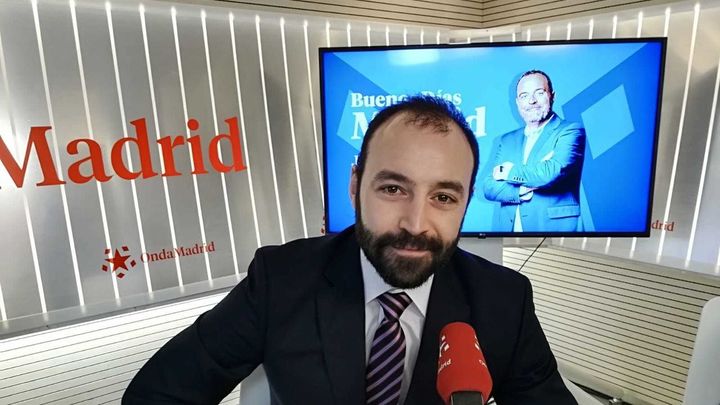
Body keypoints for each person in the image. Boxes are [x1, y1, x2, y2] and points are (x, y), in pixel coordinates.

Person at [123, 95, 576, 404]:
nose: (416, 224)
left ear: (466, 202)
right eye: (393, 188)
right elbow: (157, 394)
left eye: (443, 197)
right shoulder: (281, 279)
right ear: (356, 185)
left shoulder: (503, 301)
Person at [483, 70, 586, 232]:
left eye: (539, 93)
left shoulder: (570, 131)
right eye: (524, 95)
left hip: (556, 232)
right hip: (508, 233)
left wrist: (508, 172)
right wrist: (522, 190)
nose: (532, 101)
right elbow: (489, 187)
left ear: (552, 96)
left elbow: (551, 172)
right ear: (518, 102)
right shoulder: (506, 140)